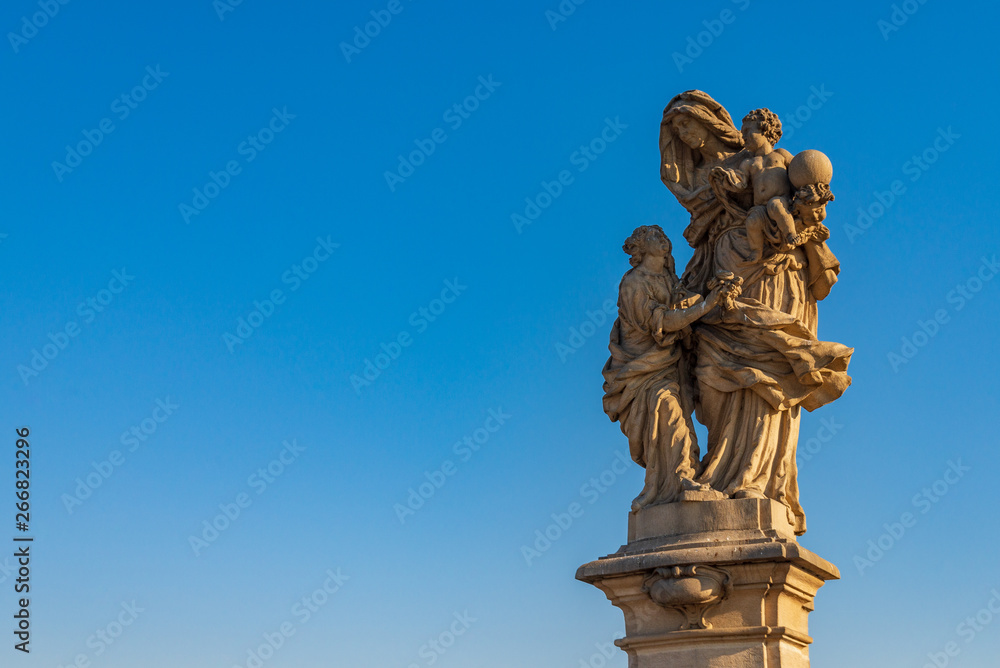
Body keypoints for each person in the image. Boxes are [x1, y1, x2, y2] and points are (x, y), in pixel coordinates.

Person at [602, 225, 740, 510]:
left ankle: (681, 478)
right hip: (641, 371)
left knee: (681, 424)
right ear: (640, 247)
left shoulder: (667, 277)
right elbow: (662, 322)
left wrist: (713, 293)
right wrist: (703, 307)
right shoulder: (633, 283)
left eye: (664, 235)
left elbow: (680, 304)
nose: (663, 239)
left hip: (669, 364)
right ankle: (677, 481)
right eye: (654, 236)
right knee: (669, 415)